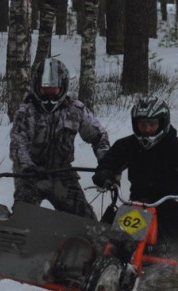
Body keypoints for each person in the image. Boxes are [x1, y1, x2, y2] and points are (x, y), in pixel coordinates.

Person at [92, 96, 178, 274]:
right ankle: (102, 278)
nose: (147, 130)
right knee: (113, 243)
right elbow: (111, 160)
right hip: (138, 207)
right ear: (135, 124)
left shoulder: (176, 147)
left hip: (171, 210)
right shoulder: (128, 145)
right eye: (142, 125)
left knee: (174, 255)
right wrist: (105, 174)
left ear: (162, 123)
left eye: (152, 125)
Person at [10, 58, 110, 220]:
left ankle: (78, 245)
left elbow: (99, 136)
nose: (49, 93)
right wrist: (28, 167)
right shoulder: (26, 112)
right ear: (36, 86)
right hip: (31, 176)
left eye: (54, 89)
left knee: (86, 222)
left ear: (62, 87)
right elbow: (18, 143)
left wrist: (106, 164)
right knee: (21, 218)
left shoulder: (75, 110)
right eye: (45, 89)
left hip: (62, 173)